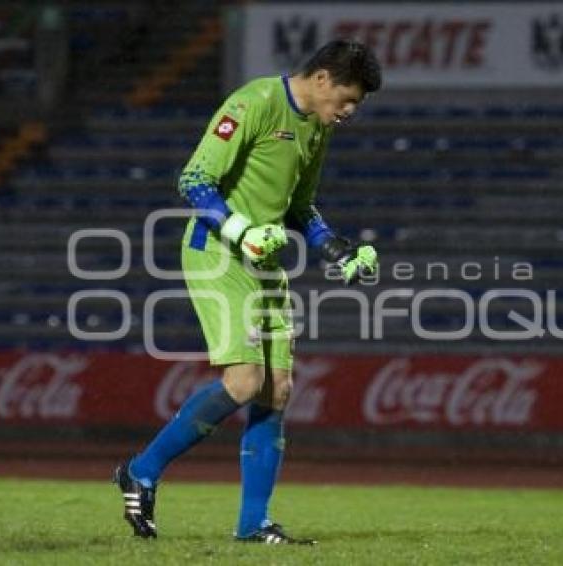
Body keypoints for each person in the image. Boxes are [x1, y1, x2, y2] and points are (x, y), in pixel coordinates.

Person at [113, 39, 382, 544]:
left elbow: (302, 208)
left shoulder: (317, 130)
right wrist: (242, 231)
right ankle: (141, 471)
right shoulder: (254, 103)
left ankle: (252, 524)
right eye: (347, 99)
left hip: (265, 261)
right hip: (217, 251)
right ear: (322, 79)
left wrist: (337, 250)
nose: (348, 112)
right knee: (243, 381)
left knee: (276, 390)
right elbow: (194, 179)